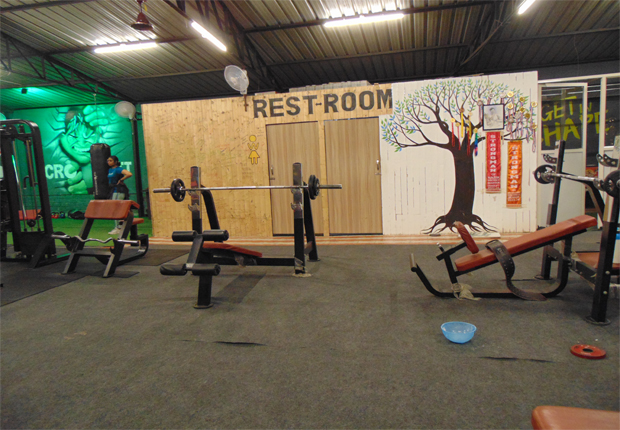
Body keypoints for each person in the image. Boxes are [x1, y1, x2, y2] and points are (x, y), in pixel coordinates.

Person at [107, 156, 132, 235]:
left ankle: (119, 228)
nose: (108, 162)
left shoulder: (118, 169)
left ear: (115, 162)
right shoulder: (110, 170)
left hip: (119, 191)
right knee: (115, 209)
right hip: (114, 191)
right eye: (108, 161)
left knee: (117, 209)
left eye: (110, 160)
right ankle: (119, 227)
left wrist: (121, 180)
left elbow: (129, 174)